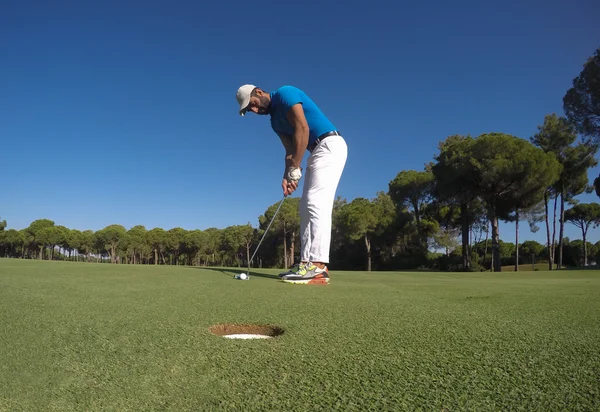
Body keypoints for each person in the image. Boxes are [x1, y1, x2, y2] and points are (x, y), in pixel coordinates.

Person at [236, 84, 348, 285]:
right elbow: (290, 151)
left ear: (259, 92)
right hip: (315, 152)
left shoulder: (285, 93)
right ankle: (306, 262)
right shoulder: (274, 123)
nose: (254, 110)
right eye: (250, 110)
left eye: (252, 104)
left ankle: (319, 266)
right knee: (305, 207)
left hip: (330, 145)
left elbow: (302, 129)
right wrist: (288, 175)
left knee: (316, 202)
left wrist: (296, 167)